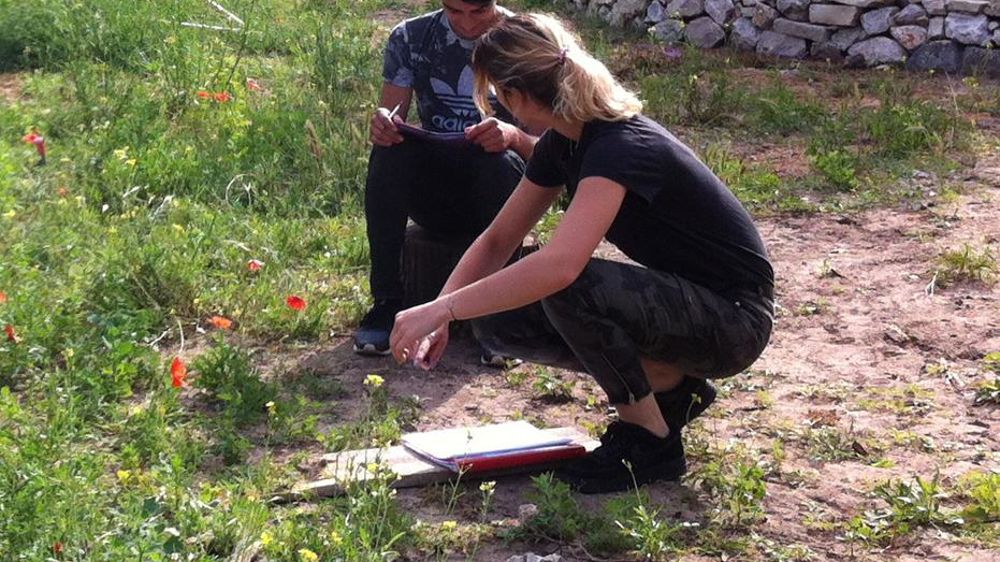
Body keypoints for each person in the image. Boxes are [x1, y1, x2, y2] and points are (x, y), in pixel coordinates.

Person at [388, 13, 775, 494]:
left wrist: (442, 307)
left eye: (496, 93)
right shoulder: (566, 142)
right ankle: (669, 390)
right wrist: (443, 312)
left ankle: (649, 443)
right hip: (695, 306)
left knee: (570, 286)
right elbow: (497, 240)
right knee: (497, 314)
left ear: (516, 96)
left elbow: (561, 265)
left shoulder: (619, 145)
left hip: (735, 322)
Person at [354, 0, 537, 358]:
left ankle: (500, 317)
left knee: (498, 164)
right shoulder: (410, 36)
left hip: (503, 193)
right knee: (389, 154)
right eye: (454, 11)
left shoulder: (525, 40)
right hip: (436, 193)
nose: (467, 24)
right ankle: (386, 301)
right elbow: (393, 115)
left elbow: (552, 150)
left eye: (479, 11)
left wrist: (514, 137)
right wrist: (384, 125)